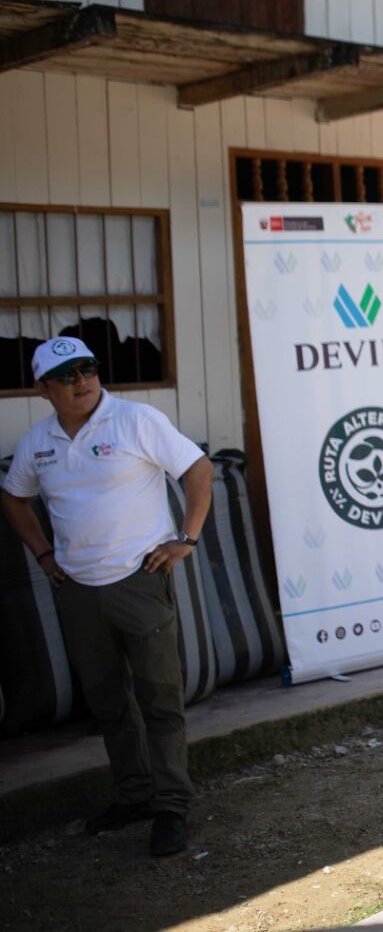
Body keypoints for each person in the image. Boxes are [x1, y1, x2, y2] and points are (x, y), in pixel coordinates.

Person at [1, 337, 213, 857]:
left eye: (89, 368)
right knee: (108, 702)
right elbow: (14, 498)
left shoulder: (135, 420)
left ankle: (171, 806)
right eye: (68, 375)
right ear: (43, 389)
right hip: (75, 588)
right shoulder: (38, 441)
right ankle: (133, 794)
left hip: (139, 579)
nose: (82, 381)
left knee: (160, 697)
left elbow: (198, 469)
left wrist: (186, 539)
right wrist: (44, 555)